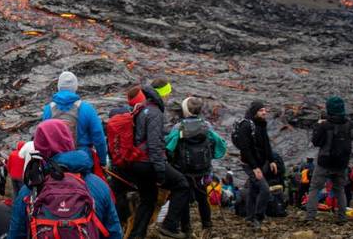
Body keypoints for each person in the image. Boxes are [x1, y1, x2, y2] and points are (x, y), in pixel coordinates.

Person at [7, 119, 122, 239]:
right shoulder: (99, 185)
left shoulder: (29, 190)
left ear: (39, 150)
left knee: (0, 212)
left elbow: (16, 234)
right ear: (70, 142)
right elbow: (114, 233)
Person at [122, 86, 190, 239]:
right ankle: (169, 226)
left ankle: (136, 235)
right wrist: (160, 171)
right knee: (182, 184)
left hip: (136, 162)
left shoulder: (138, 110)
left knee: (148, 199)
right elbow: (153, 145)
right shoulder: (154, 112)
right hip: (148, 162)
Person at [165, 97, 227, 237]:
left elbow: (169, 146)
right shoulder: (206, 126)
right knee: (203, 198)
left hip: (183, 170)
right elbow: (218, 143)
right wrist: (211, 158)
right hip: (203, 170)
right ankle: (207, 226)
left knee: (184, 199)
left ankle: (186, 229)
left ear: (185, 110)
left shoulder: (178, 127)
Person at [305, 96, 353, 223]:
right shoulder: (350, 125)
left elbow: (316, 142)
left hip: (325, 163)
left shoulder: (324, 125)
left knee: (315, 188)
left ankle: (310, 217)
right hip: (342, 163)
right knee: (339, 190)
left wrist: (317, 126)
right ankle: (342, 217)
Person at [41, 71, 108, 171]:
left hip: (56, 162)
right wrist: (103, 161)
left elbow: (43, 140)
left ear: (59, 87)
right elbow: (99, 138)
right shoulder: (87, 108)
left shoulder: (48, 109)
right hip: (82, 161)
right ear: (75, 87)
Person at [232, 100, 276, 230]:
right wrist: (255, 168)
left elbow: (266, 144)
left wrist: (271, 160)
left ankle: (250, 217)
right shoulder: (246, 126)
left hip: (260, 162)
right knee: (265, 189)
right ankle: (258, 217)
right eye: (261, 110)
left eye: (265, 110)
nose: (264, 112)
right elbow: (245, 149)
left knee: (253, 190)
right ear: (254, 112)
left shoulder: (261, 124)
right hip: (249, 164)